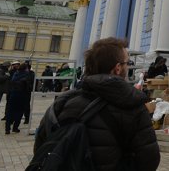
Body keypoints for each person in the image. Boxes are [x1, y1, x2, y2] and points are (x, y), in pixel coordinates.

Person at [34, 37, 160, 171]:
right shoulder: (133, 107)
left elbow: (42, 147)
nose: (128, 66)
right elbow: (149, 160)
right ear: (117, 68)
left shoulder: (62, 102)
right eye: (127, 62)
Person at [5, 62, 32, 134]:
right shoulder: (27, 75)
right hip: (22, 95)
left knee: (10, 111)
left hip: (13, 94)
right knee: (19, 112)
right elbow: (28, 87)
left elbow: (11, 82)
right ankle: (15, 127)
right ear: (26, 68)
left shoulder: (15, 73)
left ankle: (7, 129)